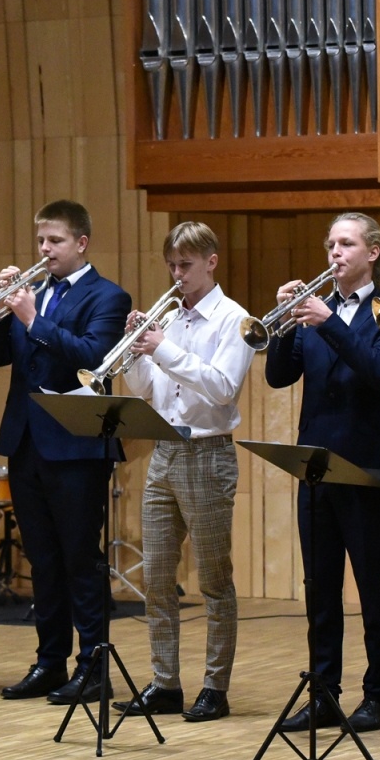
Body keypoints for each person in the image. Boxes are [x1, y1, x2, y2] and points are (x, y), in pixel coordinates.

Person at [263, 213, 380, 733]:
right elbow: (278, 376)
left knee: (374, 587)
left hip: (367, 466)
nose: (334, 253)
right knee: (320, 586)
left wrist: (330, 322)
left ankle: (378, 696)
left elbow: (375, 374)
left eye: (345, 244)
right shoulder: (311, 314)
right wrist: (283, 323)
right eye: (330, 244)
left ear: (372, 252)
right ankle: (324, 692)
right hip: (317, 466)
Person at [0, 200, 130, 704]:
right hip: (26, 442)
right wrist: (3, 310)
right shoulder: (32, 294)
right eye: (41, 241)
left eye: (55, 241)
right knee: (41, 559)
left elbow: (93, 357)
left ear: (81, 244)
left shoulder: (107, 296)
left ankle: (93, 666)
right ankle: (49, 662)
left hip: (77, 446)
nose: (44, 250)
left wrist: (32, 318)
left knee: (79, 560)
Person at [112, 222, 254, 722]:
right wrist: (134, 351)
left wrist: (162, 348)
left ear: (211, 261)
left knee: (215, 580)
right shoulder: (168, 316)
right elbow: (150, 389)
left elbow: (220, 387)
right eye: (171, 265)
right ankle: (165, 683)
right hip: (165, 451)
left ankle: (216, 687)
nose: (176, 275)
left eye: (186, 266)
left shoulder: (234, 318)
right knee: (156, 578)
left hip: (209, 453)